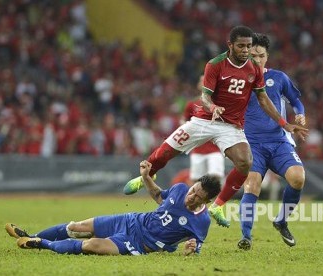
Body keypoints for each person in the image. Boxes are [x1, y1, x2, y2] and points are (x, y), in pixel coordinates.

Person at [123, 26, 308, 228]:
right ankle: (146, 176)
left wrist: (284, 124)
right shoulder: (215, 64)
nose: (246, 50)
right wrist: (212, 106)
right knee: (165, 153)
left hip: (231, 126)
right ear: (230, 45)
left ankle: (218, 205)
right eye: (241, 46)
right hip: (205, 121)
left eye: (248, 46)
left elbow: (263, 99)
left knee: (245, 163)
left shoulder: (254, 68)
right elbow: (205, 96)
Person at [5, 160, 221, 256]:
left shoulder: (201, 222)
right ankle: (31, 235)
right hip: (131, 220)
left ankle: (41, 244)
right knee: (76, 227)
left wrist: (190, 250)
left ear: (206, 201)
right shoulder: (180, 188)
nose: (191, 196)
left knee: (91, 245)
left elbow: (194, 248)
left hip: (139, 243)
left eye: (197, 197)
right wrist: (146, 177)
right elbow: (158, 196)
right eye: (193, 190)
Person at [237, 33, 306, 250]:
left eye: (261, 55)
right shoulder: (239, 80)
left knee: (297, 178)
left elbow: (295, 100)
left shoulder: (279, 77)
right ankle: (246, 236)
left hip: (278, 141)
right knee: (253, 184)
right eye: (253, 55)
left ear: (267, 57)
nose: (257, 60)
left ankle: (282, 221)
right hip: (252, 144)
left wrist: (300, 113)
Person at [182, 75, 225, 184]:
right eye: (202, 81)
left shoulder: (219, 104)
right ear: (198, 85)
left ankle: (217, 201)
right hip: (198, 148)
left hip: (215, 148)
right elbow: (184, 122)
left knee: (216, 176)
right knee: (195, 179)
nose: (204, 83)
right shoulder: (192, 104)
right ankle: (195, 200)